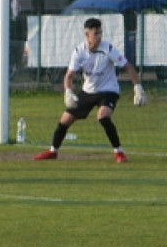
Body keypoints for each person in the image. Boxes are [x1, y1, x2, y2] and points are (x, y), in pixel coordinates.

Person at [33, 17, 147, 163]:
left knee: (103, 116)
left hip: (108, 90)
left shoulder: (108, 49)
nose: (99, 37)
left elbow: (128, 66)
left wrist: (138, 88)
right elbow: (69, 75)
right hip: (88, 91)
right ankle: (53, 152)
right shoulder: (79, 51)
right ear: (87, 34)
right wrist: (68, 92)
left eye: (100, 33)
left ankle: (119, 152)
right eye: (96, 34)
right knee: (65, 120)